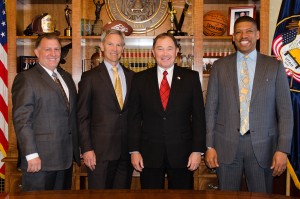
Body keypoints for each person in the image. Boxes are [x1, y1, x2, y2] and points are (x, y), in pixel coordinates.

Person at [205, 16, 293, 193]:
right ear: (233, 37)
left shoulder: (274, 66)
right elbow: (211, 108)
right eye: (238, 32)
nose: (243, 35)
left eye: (249, 31)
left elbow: (285, 112)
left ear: (258, 34)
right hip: (226, 145)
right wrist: (210, 145)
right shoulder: (219, 67)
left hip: (264, 146)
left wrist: (283, 149)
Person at [128, 33, 206, 189]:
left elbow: (199, 118)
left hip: (182, 154)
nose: (165, 54)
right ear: (153, 52)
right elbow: (134, 118)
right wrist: (134, 150)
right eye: (160, 49)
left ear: (177, 51)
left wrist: (197, 150)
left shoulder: (191, 78)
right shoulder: (140, 79)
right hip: (149, 154)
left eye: (169, 48)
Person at [12, 33, 81, 191]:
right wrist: (31, 154)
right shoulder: (26, 78)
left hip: (66, 159)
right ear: (37, 52)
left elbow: (71, 116)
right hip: (40, 161)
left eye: (56, 49)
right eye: (47, 49)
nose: (53, 53)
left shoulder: (67, 78)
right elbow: (22, 120)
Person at [77, 29, 134, 189]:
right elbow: (82, 116)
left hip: (125, 153)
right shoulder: (89, 77)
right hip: (99, 154)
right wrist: (87, 149)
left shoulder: (132, 77)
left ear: (123, 48)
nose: (114, 49)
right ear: (102, 46)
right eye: (110, 44)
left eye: (118, 45)